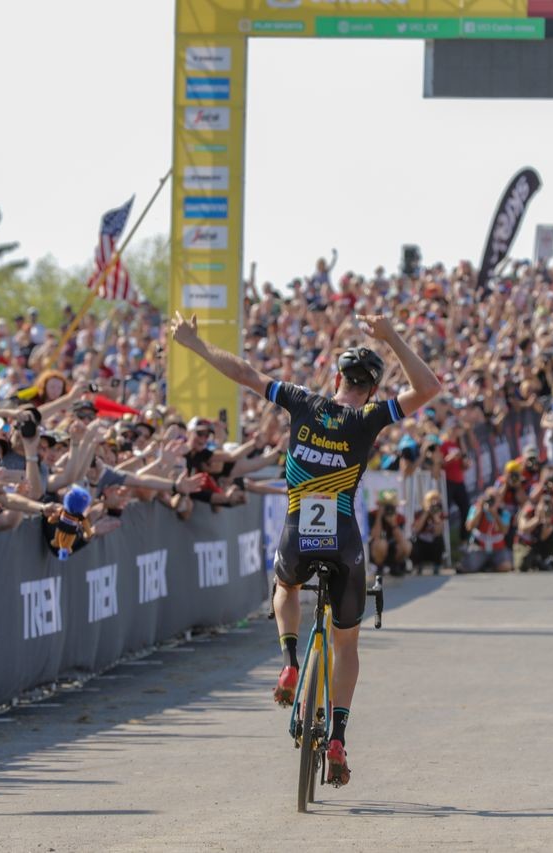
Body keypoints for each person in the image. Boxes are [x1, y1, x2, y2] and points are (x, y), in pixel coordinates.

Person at [170, 310, 439, 787]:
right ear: (373, 391)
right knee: (347, 642)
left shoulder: (302, 402)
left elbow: (243, 372)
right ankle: (337, 736)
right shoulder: (368, 419)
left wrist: (192, 342)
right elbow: (430, 387)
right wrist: (393, 333)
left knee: (285, 585)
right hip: (346, 543)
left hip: (299, 533)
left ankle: (291, 663)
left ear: (336, 377)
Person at [461, 486, 513, 573]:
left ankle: (489, 567)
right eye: (490, 497)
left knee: (506, 566)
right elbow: (469, 527)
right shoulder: (475, 508)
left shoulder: (504, 512)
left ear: (499, 499)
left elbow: (505, 531)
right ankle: (482, 564)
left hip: (498, 549)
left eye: (495, 498)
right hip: (479, 548)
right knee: (467, 568)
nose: (492, 500)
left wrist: (495, 514)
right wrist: (480, 510)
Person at [367, 489, 410, 577]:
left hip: (393, 548)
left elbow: (401, 540)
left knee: (407, 545)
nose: (388, 508)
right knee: (382, 543)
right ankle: (379, 567)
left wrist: (393, 523)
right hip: (378, 549)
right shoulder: (373, 515)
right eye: (386, 505)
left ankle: (396, 565)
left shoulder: (399, 517)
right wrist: (379, 516)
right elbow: (374, 536)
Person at [409, 490, 447, 575]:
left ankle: (437, 565)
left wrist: (435, 517)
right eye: (431, 500)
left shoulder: (440, 514)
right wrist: (426, 513)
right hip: (422, 544)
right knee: (413, 541)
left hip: (433, 545)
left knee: (439, 540)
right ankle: (418, 565)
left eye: (436, 500)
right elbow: (417, 529)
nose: (434, 502)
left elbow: (438, 532)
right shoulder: (419, 513)